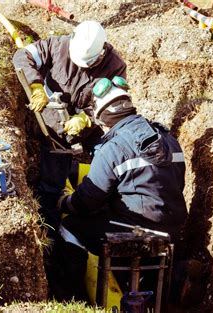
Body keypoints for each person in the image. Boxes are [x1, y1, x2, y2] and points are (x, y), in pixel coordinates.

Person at [51, 78, 188, 300]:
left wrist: (65, 202)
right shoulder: (168, 138)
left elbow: (88, 201)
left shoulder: (113, 148)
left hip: (136, 232)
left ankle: (70, 299)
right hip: (173, 230)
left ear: (103, 118)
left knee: (70, 228)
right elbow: (173, 184)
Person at [12, 21, 127, 234]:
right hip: (54, 130)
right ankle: (52, 232)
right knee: (51, 184)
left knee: (105, 172)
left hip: (90, 132)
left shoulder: (114, 65)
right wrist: (36, 85)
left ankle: (95, 209)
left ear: (100, 54)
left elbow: (115, 103)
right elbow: (22, 55)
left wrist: (86, 118)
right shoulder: (58, 46)